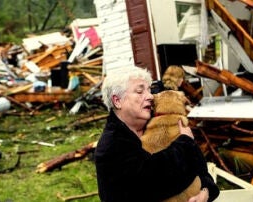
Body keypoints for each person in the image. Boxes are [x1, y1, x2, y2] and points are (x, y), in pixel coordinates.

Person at [94, 66, 219, 202]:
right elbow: (153, 182)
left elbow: (201, 170)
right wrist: (185, 143)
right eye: (140, 91)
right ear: (117, 101)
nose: (150, 96)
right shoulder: (111, 146)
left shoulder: (164, 125)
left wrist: (205, 192)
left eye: (149, 90)